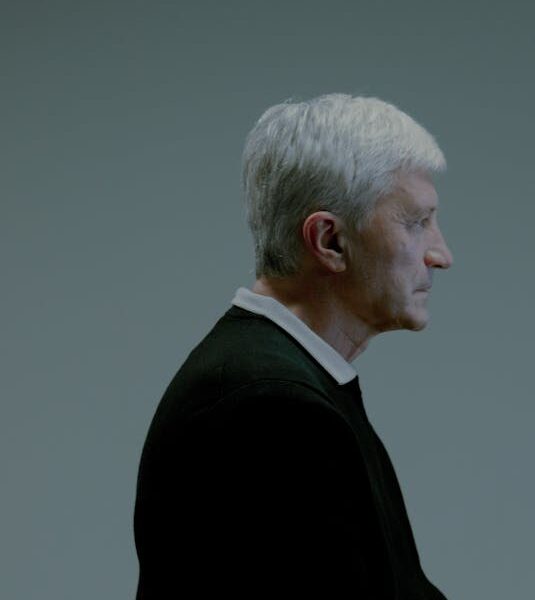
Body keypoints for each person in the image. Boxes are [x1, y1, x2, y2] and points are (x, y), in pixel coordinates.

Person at [133, 93, 453, 599]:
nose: (441, 254)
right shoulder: (272, 405)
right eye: (416, 222)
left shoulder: (282, 380)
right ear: (329, 241)